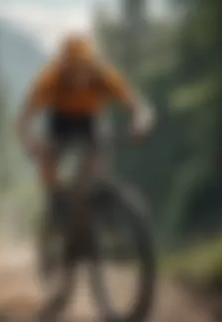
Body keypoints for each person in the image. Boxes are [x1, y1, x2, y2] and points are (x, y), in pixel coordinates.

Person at [15, 33, 155, 217]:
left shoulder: (104, 76)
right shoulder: (50, 80)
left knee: (96, 169)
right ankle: (56, 208)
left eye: (83, 68)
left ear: (91, 65)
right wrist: (32, 145)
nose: (78, 75)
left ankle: (94, 216)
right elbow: (23, 119)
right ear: (63, 67)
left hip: (90, 120)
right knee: (48, 164)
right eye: (72, 69)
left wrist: (140, 124)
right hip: (61, 121)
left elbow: (139, 107)